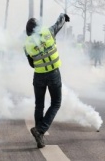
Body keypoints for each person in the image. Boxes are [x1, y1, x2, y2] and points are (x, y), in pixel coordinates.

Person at [24, 13, 69, 148]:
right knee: (56, 103)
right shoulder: (48, 32)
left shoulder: (27, 45)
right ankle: (40, 130)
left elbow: (32, 64)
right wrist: (63, 16)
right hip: (53, 73)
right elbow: (58, 24)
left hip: (39, 76)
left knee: (39, 105)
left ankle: (39, 136)